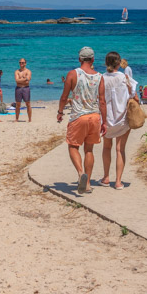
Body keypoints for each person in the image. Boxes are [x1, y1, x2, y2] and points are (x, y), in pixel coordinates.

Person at [57, 47, 106, 194]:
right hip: (94, 117)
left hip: (79, 116)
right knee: (89, 150)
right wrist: (105, 122)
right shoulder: (100, 77)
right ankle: (88, 184)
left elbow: (64, 97)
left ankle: (80, 173)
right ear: (93, 59)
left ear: (79, 59)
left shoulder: (73, 74)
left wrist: (60, 112)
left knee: (73, 146)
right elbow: (102, 101)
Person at [100, 51, 137, 190]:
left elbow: (99, 98)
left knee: (106, 147)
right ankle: (118, 182)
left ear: (106, 63)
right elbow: (134, 95)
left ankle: (106, 177)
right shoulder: (124, 77)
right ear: (119, 63)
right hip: (122, 118)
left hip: (107, 118)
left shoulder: (101, 78)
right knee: (120, 149)